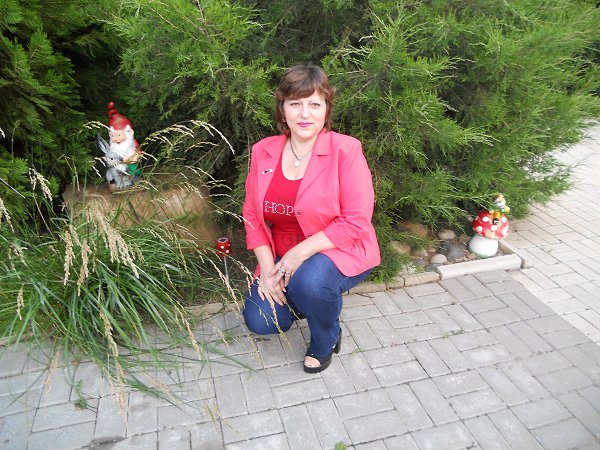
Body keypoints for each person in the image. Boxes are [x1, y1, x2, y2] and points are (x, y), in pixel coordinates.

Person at [242, 64, 380, 373]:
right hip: (281, 252)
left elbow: (356, 220)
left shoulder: (346, 150)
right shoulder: (263, 151)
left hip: (338, 248)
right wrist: (268, 270)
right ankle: (306, 299)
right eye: (295, 104)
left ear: (326, 109)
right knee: (261, 320)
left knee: (311, 283)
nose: (305, 114)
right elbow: (251, 214)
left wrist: (297, 255)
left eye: (314, 104)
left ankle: (325, 338)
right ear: (283, 109)